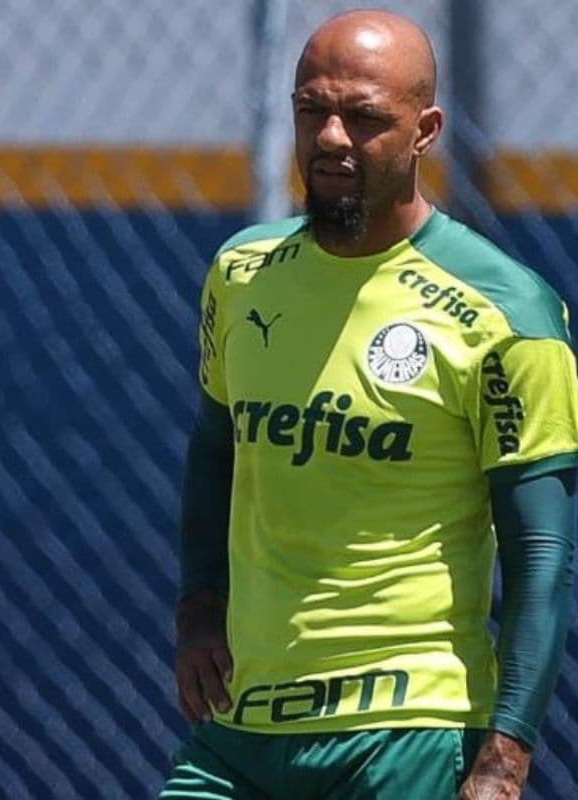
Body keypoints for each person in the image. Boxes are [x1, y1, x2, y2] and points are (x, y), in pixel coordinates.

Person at [160, 11, 578, 800]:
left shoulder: (505, 315)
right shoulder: (241, 273)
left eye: (364, 118)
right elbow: (216, 449)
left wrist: (505, 755)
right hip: (241, 728)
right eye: (312, 110)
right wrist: (198, 606)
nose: (332, 139)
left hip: (406, 732)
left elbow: (542, 555)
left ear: (425, 131)